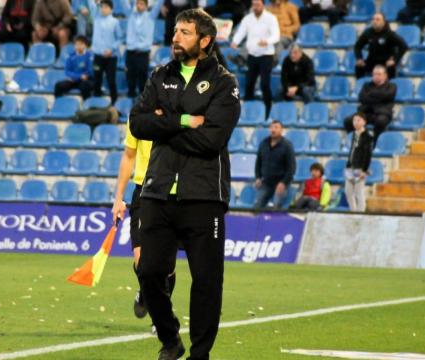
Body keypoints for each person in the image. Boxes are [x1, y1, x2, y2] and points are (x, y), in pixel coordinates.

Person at [129, 8, 240, 360]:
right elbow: (137, 123)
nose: (175, 38)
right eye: (176, 31)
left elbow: (211, 140)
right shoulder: (160, 76)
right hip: (158, 191)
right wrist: (185, 121)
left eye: (185, 33)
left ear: (205, 41)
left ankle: (199, 355)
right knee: (147, 273)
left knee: (206, 282)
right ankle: (170, 338)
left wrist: (164, 124)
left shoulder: (225, 82)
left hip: (204, 196)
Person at [111, 122, 176, 327]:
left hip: (172, 194)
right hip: (144, 192)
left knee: (167, 268)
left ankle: (160, 315)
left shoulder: (178, 112)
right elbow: (129, 156)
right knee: (143, 264)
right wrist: (118, 198)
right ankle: (151, 299)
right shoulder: (138, 116)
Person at [231, 0, 280, 117]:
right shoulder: (248, 18)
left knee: (264, 84)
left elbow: (276, 35)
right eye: (254, 5)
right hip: (252, 55)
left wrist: (267, 41)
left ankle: (268, 111)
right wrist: (235, 41)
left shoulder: (271, 18)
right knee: (249, 84)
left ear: (263, 5)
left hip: (266, 55)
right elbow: (241, 31)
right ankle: (248, 112)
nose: (255, 7)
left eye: (258, 5)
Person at [122, 0, 165, 98]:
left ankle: (143, 103)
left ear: (146, 6)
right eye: (137, 3)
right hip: (130, 53)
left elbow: (158, 4)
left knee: (142, 79)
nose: (138, 6)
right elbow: (123, 2)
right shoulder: (130, 15)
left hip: (143, 54)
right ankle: (130, 98)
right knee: (130, 78)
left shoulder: (151, 16)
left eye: (141, 4)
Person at [345, 65, 396, 145]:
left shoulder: (392, 86)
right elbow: (361, 98)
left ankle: (375, 144)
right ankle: (356, 142)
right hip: (366, 112)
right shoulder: (366, 85)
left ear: (385, 75)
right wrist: (378, 97)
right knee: (348, 121)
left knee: (381, 122)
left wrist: (370, 95)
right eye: (374, 74)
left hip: (382, 113)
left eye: (379, 74)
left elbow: (386, 95)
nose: (376, 76)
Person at [254, 120, 296, 209]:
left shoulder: (287, 145)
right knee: (256, 206)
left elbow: (291, 168)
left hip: (281, 183)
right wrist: (258, 177)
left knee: (275, 207)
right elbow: (258, 162)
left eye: (276, 127)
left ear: (281, 130)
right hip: (266, 182)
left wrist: (283, 183)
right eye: (271, 127)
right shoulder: (263, 143)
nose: (273, 130)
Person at [88, 0, 123, 104]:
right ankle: (97, 103)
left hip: (111, 57)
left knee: (111, 81)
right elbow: (91, 4)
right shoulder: (96, 18)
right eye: (102, 7)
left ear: (111, 9)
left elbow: (120, 38)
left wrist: (112, 49)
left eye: (106, 7)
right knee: (97, 80)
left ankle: (114, 103)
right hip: (98, 57)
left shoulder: (115, 22)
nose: (103, 9)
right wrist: (98, 3)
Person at [354, 12, 407, 79]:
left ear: (383, 22)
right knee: (359, 66)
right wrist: (359, 58)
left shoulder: (389, 34)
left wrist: (395, 60)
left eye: (378, 19)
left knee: (391, 66)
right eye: (373, 19)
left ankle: (389, 87)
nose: (374, 21)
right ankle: (360, 85)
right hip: (372, 61)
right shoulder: (368, 33)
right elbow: (357, 46)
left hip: (385, 62)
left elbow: (404, 46)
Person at [345, 113, 373, 212]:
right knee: (348, 192)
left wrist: (364, 170)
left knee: (358, 192)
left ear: (364, 122)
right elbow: (352, 150)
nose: (355, 122)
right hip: (351, 166)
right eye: (354, 120)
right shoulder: (354, 134)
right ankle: (353, 211)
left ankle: (360, 213)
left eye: (358, 120)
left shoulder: (367, 136)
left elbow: (368, 155)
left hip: (360, 168)